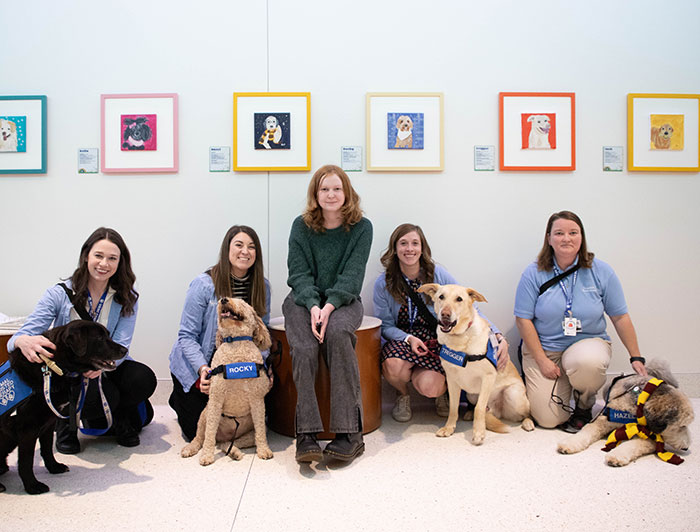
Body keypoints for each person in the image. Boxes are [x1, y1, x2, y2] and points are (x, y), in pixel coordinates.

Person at [8, 227, 156, 452]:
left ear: (120, 262)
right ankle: (65, 424)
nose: (104, 264)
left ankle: (121, 417)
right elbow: (20, 337)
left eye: (112, 258)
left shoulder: (127, 296)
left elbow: (122, 344)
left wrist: (102, 367)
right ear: (86, 255)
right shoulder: (58, 294)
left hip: (102, 367)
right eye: (98, 256)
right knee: (96, 398)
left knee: (141, 378)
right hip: (67, 372)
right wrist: (22, 341)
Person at [514, 210, 647, 432]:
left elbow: (620, 316)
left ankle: (584, 405)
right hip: (546, 350)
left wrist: (636, 356)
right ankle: (564, 389)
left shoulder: (601, 271)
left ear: (582, 237)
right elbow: (523, 320)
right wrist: (542, 360)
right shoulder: (533, 272)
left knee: (587, 362)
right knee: (548, 420)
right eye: (559, 233)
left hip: (587, 343)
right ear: (549, 238)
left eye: (573, 232)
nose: (566, 238)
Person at [373, 223, 509, 422]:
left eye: (414, 243)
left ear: (422, 248)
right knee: (393, 366)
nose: (409, 249)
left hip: (437, 339)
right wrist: (408, 338)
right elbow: (385, 326)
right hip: (404, 340)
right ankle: (402, 394)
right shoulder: (383, 283)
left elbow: (468, 307)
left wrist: (497, 334)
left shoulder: (438, 274)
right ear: (395, 249)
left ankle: (442, 393)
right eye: (403, 243)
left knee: (431, 387)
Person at [283, 164, 372, 464]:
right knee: (305, 347)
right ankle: (306, 434)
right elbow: (298, 272)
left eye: (337, 188)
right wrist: (312, 305)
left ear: (347, 193)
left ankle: (350, 434)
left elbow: (352, 275)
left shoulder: (362, 227)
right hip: (302, 299)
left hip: (344, 300)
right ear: (315, 194)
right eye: (324, 189)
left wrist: (330, 305)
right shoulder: (301, 225)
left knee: (336, 334)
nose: (331, 194)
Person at [168, 225, 271, 442]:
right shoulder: (204, 284)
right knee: (197, 432)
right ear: (227, 250)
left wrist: (259, 368)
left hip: (238, 368)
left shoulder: (262, 286)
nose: (245, 251)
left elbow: (262, 336)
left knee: (259, 415)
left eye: (252, 247)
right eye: (239, 245)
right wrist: (203, 371)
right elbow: (186, 336)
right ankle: (178, 397)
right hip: (201, 366)